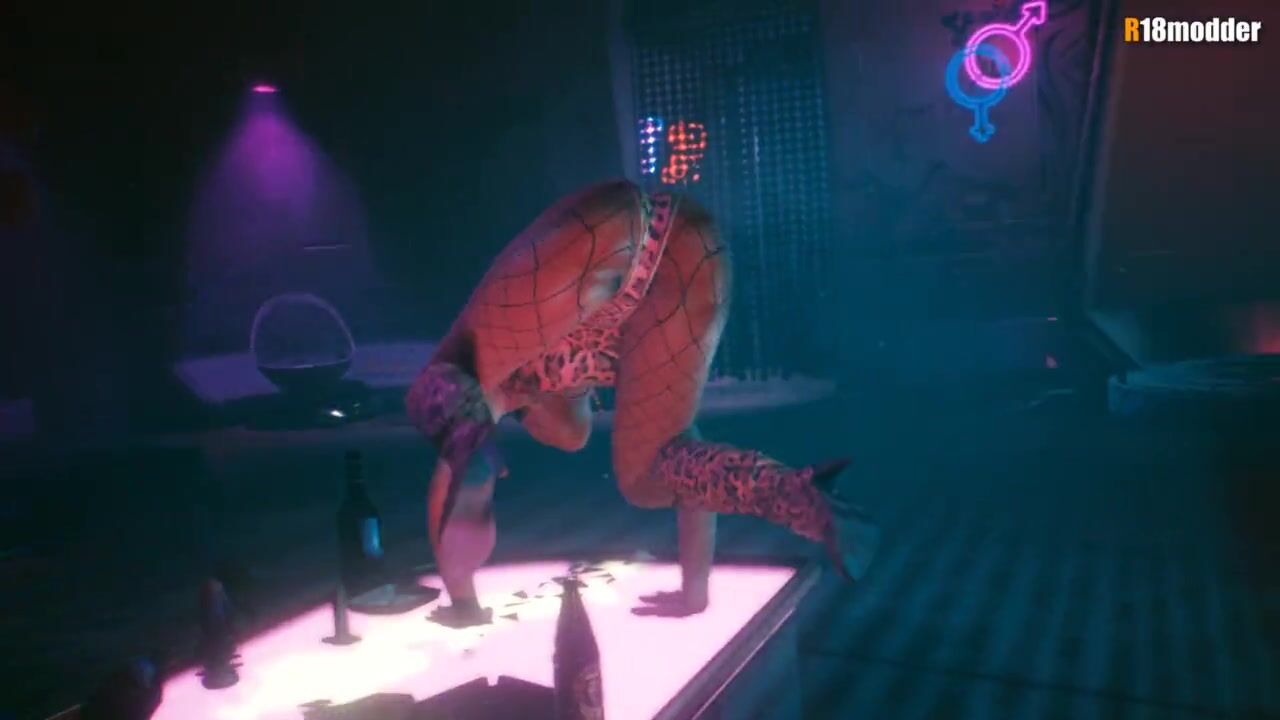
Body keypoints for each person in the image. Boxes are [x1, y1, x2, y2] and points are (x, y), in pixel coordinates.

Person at [407, 180, 877, 622]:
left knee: (446, 382)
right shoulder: (544, 382)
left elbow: (448, 475)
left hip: (599, 236)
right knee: (653, 471)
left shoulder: (496, 385)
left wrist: (463, 600)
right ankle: (800, 498)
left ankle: (469, 450)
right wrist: (695, 592)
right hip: (686, 244)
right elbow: (690, 472)